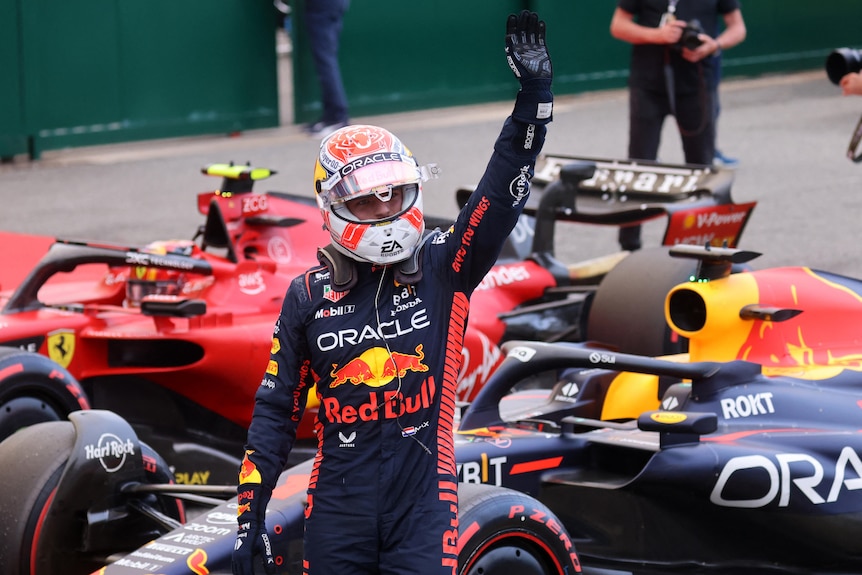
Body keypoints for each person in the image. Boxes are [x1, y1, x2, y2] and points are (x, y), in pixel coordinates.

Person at [231, 10, 553, 575]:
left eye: (394, 193)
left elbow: (499, 194)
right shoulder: (307, 296)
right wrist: (250, 520)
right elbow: (275, 413)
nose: (384, 210)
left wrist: (533, 103)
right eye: (366, 200)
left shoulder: (445, 263)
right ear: (332, 207)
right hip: (336, 507)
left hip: (424, 505)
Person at [610, 0, 746, 250]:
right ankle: (629, 246)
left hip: (697, 84)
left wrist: (714, 45)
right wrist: (657, 35)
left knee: (701, 168)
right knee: (639, 164)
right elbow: (618, 26)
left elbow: (738, 28)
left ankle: (703, 248)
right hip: (648, 83)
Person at [302, 0, 351, 138]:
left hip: (323, 5)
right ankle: (331, 116)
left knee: (325, 61)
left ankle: (337, 117)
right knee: (325, 59)